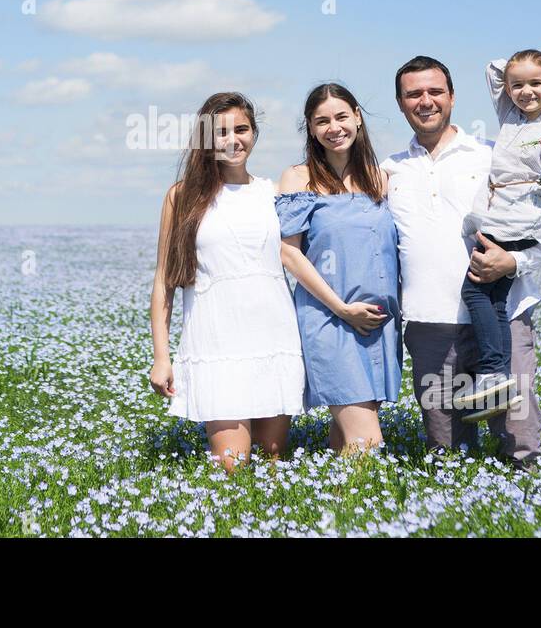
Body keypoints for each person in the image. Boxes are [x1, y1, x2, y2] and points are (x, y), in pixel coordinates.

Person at [381, 56, 541, 472]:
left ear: (453, 97)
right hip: (429, 324)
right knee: (447, 452)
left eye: (435, 91)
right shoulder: (389, 169)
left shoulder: (493, 155)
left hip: (504, 316)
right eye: (414, 94)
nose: (426, 101)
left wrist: (510, 262)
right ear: (401, 103)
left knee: (520, 442)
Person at [148, 92, 306, 473]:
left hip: (274, 338)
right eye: (220, 132)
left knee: (273, 462)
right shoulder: (182, 196)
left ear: (254, 134)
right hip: (216, 341)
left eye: (242, 129)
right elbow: (164, 282)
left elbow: (297, 257)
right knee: (233, 467)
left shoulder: (271, 193)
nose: (233, 140)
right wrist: (161, 357)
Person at [275, 83, 402, 454]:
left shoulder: (380, 178)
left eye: (342, 116)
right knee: (367, 440)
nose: (335, 127)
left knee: (347, 434)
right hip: (330, 319)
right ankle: (359, 510)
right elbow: (290, 255)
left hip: (379, 321)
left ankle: (335, 507)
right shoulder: (298, 178)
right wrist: (342, 309)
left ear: (358, 118)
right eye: (322, 121)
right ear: (311, 129)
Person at [456, 51, 541, 421]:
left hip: (519, 220)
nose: (526, 92)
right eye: (517, 85)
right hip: (496, 216)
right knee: (494, 301)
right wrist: (529, 61)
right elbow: (491, 70)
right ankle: (498, 379)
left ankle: (493, 372)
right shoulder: (509, 116)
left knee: (474, 291)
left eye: (536, 84)